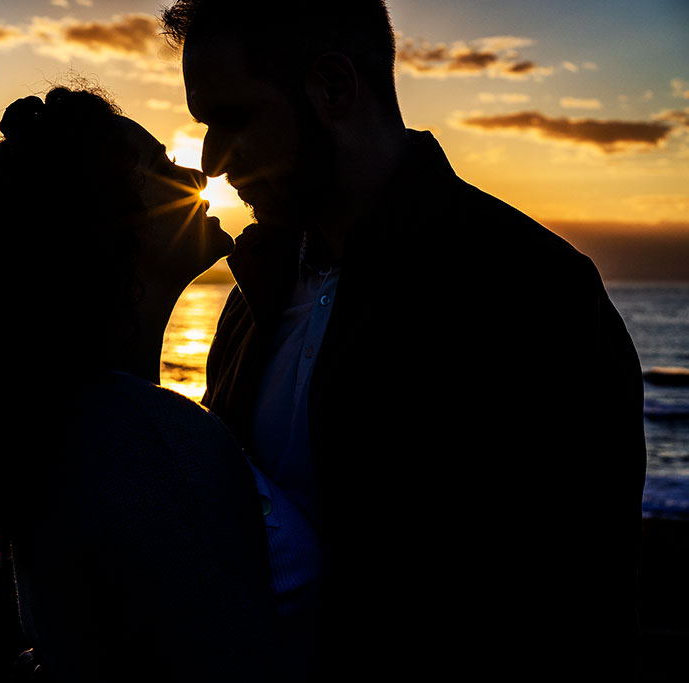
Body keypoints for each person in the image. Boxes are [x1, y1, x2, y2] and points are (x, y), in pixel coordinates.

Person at [161, 1, 647, 679]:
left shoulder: (533, 292)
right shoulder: (251, 300)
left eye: (233, 118)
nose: (212, 161)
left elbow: (581, 606)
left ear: (333, 89)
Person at [0, 86, 319, 681]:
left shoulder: (68, 423)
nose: (194, 173)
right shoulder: (139, 440)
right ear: (103, 221)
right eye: (156, 166)